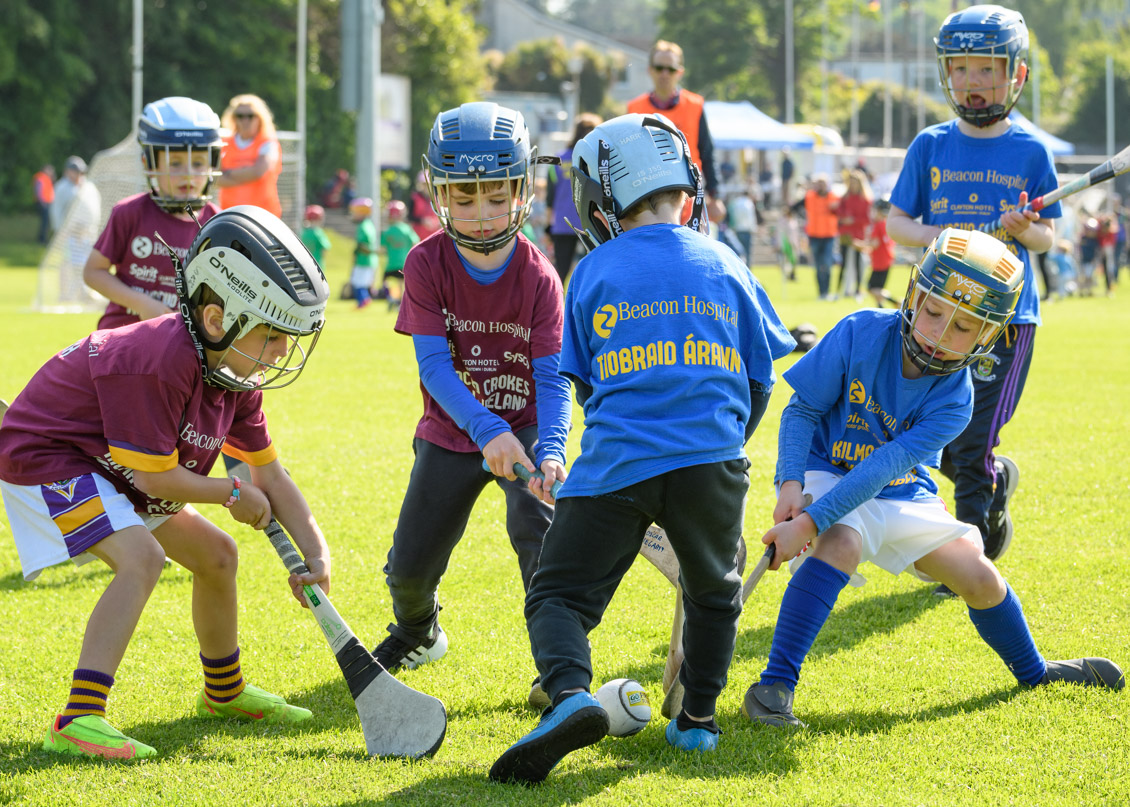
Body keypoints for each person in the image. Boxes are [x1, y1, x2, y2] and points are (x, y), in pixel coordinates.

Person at [489, 113, 795, 785]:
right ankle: (698, 722)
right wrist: (723, 445)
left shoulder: (593, 271)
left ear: (600, 201)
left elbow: (584, 381)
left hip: (617, 463)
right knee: (714, 594)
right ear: (686, 184)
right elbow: (761, 378)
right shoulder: (726, 260)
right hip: (712, 461)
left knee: (558, 596)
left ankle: (570, 694)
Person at [741, 228, 1124, 731]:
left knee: (981, 577)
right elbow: (802, 409)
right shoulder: (858, 331)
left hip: (898, 487)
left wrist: (806, 521)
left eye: (965, 326)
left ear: (989, 336)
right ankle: (775, 685)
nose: (940, 334)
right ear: (914, 294)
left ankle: (1035, 673)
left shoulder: (956, 399)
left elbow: (882, 471)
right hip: (827, 470)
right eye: (936, 311)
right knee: (841, 542)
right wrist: (792, 485)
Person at [0, 205, 332, 760]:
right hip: (49, 454)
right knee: (142, 558)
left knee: (218, 554)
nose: (281, 353)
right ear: (218, 318)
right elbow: (157, 474)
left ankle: (224, 691)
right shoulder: (160, 358)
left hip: (112, 465)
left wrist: (317, 553)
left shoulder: (233, 372)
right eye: (274, 336)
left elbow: (269, 473)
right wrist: (230, 492)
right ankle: (77, 718)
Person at [374, 102, 570, 679]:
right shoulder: (424, 264)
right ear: (438, 193)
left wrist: (552, 449)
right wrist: (487, 430)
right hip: (453, 428)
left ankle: (557, 667)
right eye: (464, 199)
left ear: (522, 191)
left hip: (528, 426)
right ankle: (417, 630)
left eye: (495, 197)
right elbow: (434, 366)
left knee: (540, 542)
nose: (482, 215)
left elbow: (553, 377)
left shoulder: (539, 276)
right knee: (408, 568)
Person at [887, 5, 1059, 589]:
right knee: (944, 438)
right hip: (935, 316)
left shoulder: (1032, 152)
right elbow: (896, 225)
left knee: (976, 437)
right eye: (961, 68)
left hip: (1005, 322)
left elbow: (1047, 235)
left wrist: (1024, 226)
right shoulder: (929, 146)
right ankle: (993, 488)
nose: (973, 82)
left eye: (986, 69)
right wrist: (944, 237)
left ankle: (967, 553)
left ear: (1016, 75)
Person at [84, 96, 223, 331]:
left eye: (198, 163)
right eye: (176, 163)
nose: (188, 174)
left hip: (180, 347)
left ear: (214, 163)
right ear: (149, 164)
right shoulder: (129, 213)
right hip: (120, 338)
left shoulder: (218, 226)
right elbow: (93, 272)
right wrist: (141, 303)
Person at [627, 40, 721, 225]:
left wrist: (715, 195)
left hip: (689, 202)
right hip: (646, 204)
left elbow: (707, 153)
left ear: (679, 72)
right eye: (659, 67)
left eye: (670, 69)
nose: (664, 73)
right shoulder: (634, 108)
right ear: (650, 70)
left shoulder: (695, 105)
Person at [546, 112, 601, 285]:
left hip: (562, 223)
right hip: (592, 224)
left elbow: (550, 196)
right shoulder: (598, 159)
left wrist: (549, 225)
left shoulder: (559, 159)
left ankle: (554, 305)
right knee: (592, 271)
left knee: (559, 272)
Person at [215, 94, 282, 218]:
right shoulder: (224, 143)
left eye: (250, 116)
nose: (245, 120)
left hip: (263, 216)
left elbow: (258, 171)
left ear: (259, 118)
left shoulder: (267, 142)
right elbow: (215, 178)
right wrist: (246, 174)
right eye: (240, 116)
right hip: (230, 214)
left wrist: (228, 173)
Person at [51, 156, 102, 304]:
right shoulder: (62, 187)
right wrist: (61, 231)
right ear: (68, 172)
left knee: (86, 263)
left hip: (87, 234)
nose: (78, 175)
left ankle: (83, 293)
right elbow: (57, 211)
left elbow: (95, 209)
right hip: (70, 234)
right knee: (67, 263)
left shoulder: (88, 187)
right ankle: (65, 294)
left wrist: (92, 229)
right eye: (75, 171)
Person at [835, 168, 873, 301]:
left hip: (858, 234)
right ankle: (837, 291)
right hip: (845, 233)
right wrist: (844, 219)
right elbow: (839, 213)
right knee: (843, 262)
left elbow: (867, 220)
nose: (853, 185)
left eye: (855, 182)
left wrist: (854, 221)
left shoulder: (865, 200)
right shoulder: (845, 198)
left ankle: (857, 290)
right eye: (851, 182)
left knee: (858, 263)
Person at [858, 196, 899, 307]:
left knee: (871, 288)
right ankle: (881, 307)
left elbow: (874, 244)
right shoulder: (886, 224)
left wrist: (858, 244)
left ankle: (895, 302)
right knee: (877, 289)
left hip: (880, 261)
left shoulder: (878, 224)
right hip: (886, 259)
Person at [378, 199, 419, 309]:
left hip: (391, 263)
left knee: (387, 282)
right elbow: (415, 243)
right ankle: (399, 302)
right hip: (404, 263)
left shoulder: (388, 231)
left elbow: (382, 249)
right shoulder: (407, 229)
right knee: (401, 284)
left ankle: (394, 300)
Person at [803, 174, 839, 300]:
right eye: (818, 183)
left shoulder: (833, 197)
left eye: (822, 183)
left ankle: (827, 291)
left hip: (829, 236)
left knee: (827, 264)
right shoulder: (810, 196)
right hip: (814, 235)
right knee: (818, 266)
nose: (820, 186)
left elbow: (838, 211)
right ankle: (821, 292)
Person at [348, 197, 378, 309]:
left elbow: (362, 244)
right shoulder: (369, 224)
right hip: (369, 260)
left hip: (363, 260)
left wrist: (356, 252)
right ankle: (364, 300)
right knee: (361, 282)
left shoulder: (363, 226)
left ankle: (364, 300)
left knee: (358, 282)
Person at [728, 185, 758, 268]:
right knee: (747, 253)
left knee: (738, 252)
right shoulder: (749, 203)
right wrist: (754, 229)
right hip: (747, 230)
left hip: (737, 230)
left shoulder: (736, 202)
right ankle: (748, 271)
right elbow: (751, 218)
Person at [407, 170, 441, 241]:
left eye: (428, 184)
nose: (426, 187)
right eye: (424, 184)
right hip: (417, 237)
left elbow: (440, 215)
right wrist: (422, 221)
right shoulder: (414, 198)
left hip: (434, 236)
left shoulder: (437, 198)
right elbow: (409, 217)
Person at [33, 164, 56, 245]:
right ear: (44, 169)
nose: (50, 171)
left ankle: (43, 237)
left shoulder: (47, 178)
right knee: (45, 222)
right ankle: (42, 239)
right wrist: (43, 203)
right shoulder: (41, 177)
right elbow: (38, 192)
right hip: (44, 203)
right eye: (48, 169)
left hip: (48, 203)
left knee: (46, 222)